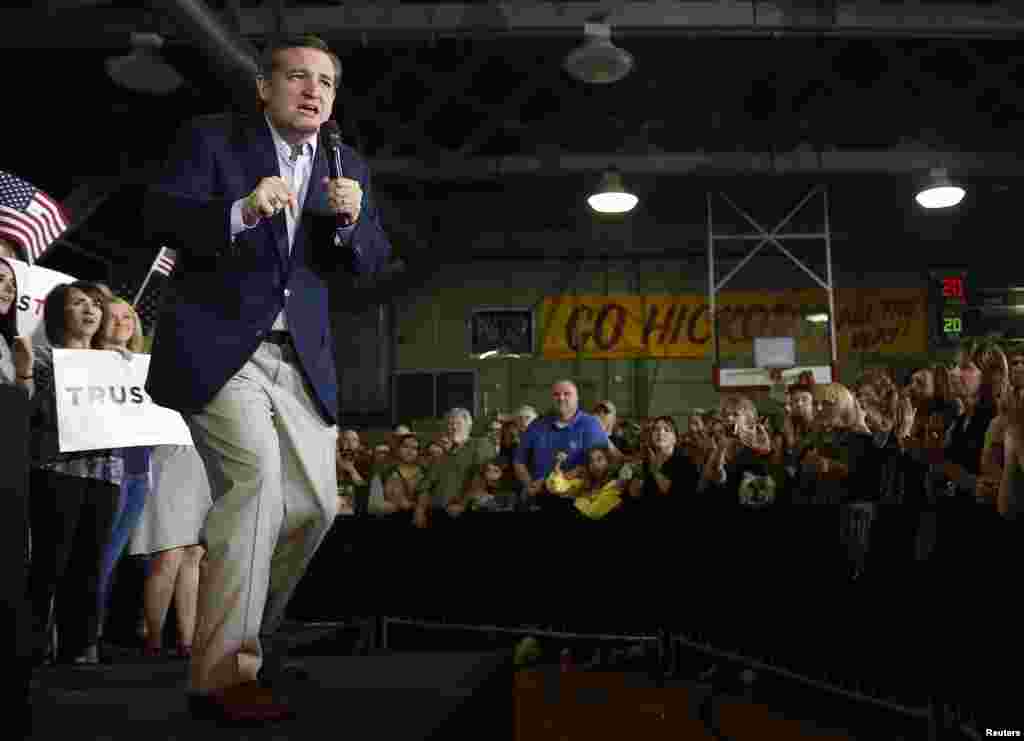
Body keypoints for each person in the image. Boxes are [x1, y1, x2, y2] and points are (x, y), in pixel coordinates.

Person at [143, 34, 391, 722]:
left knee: (313, 508)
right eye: (297, 77)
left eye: (326, 82)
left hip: (300, 358)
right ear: (264, 88)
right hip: (222, 351)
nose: (313, 90)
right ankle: (223, 674)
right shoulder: (212, 141)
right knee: (253, 484)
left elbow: (372, 264)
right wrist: (240, 211)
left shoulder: (346, 163)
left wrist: (353, 219)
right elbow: (158, 215)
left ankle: (247, 625)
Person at [28, 282, 123, 666]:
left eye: (95, 304)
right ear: (58, 313)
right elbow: (29, 413)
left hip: (106, 472)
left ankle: (80, 647)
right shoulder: (42, 358)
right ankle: (33, 643)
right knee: (51, 560)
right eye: (79, 303)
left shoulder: (116, 363)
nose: (90, 310)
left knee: (90, 561)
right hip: (56, 468)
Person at [95, 297, 149, 648]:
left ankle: (96, 634)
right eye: (113, 317)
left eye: (128, 316)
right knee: (95, 559)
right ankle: (83, 636)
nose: (122, 322)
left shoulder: (145, 366)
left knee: (113, 559)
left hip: (139, 471)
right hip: (103, 469)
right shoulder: (84, 360)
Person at [513, 379, 611, 511]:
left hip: (579, 499)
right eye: (556, 394)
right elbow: (519, 461)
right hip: (542, 498)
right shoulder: (537, 425)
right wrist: (529, 484)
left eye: (567, 394)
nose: (561, 398)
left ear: (577, 398)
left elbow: (603, 464)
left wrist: (567, 478)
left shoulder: (591, 425)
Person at [0, 257, 34, 395]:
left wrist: (25, 372)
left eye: (13, 283)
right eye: (0, 279)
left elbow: (24, 405)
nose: (10, 289)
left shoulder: (9, 340)